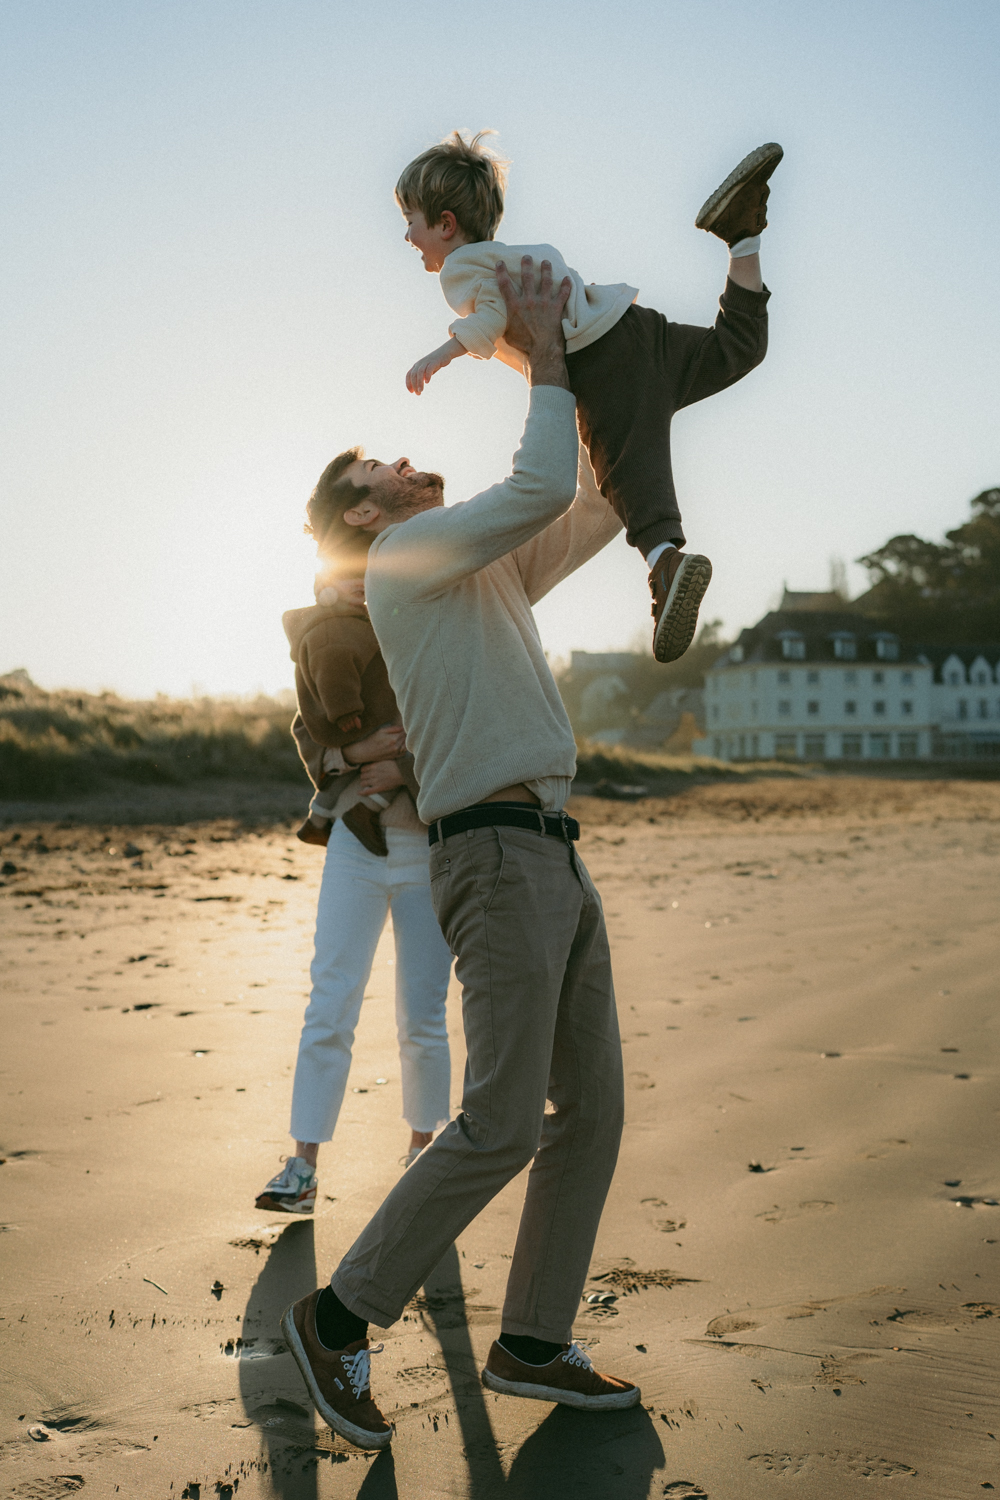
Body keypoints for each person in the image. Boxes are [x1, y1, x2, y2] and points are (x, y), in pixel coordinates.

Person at [280, 259, 639, 1452]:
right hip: (491, 855)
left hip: (553, 849)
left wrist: (589, 364)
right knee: (497, 1122)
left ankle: (533, 1340)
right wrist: (529, 345)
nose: (402, 461)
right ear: (365, 518)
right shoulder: (404, 563)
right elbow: (536, 479)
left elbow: (587, 496)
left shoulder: (472, 569)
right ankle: (336, 1319)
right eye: (375, 468)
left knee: (590, 1110)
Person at [397, 131, 779, 664]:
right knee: (736, 349)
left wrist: (437, 357)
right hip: (633, 330)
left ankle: (665, 564)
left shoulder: (462, 269)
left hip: (599, 365)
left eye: (410, 221)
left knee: (620, 469)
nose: (407, 236)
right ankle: (743, 234)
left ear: (445, 224)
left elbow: (487, 319)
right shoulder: (506, 254)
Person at [254, 530, 453, 1215]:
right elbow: (310, 734)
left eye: (372, 571)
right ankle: (302, 1169)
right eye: (347, 572)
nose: (360, 582)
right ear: (324, 578)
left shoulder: (425, 633)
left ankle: (424, 1157)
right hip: (353, 847)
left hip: (425, 848)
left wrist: (402, 766)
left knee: (422, 1016)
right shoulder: (324, 642)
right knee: (329, 1001)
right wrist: (351, 754)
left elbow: (456, 728)